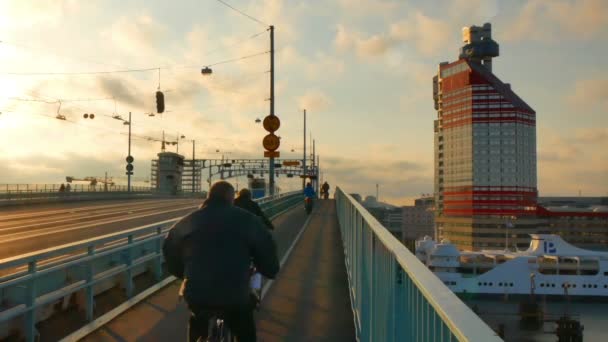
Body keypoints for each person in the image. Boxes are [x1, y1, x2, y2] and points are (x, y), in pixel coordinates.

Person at [163, 181, 279, 342]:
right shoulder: (247, 220)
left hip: (197, 293)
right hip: (235, 294)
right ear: (231, 198)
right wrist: (270, 269)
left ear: (208, 197)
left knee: (197, 319)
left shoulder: (189, 221)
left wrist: (184, 274)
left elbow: (170, 247)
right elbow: (265, 246)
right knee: (245, 329)